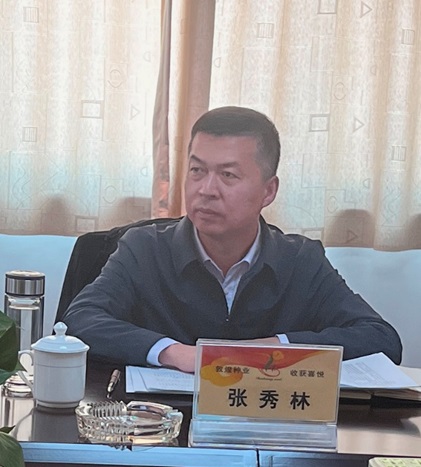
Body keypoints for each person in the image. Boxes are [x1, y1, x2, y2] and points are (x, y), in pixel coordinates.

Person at [62, 106, 402, 372]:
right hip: (165, 427)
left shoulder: (300, 260)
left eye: (227, 175)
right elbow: (79, 320)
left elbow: (381, 338)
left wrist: (276, 347)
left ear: (268, 191)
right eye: (197, 171)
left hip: (264, 428)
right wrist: (175, 353)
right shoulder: (144, 248)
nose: (206, 190)